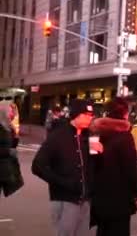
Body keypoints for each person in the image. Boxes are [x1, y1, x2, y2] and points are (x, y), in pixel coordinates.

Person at [32, 99, 102, 236]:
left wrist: (97, 153)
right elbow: (37, 166)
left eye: (91, 115)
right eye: (86, 115)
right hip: (64, 199)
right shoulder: (58, 136)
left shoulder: (88, 137)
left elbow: (92, 167)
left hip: (85, 199)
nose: (90, 118)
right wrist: (62, 182)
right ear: (75, 115)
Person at [90, 98, 137, 236]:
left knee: (103, 231)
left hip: (99, 196)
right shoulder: (124, 136)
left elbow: (92, 162)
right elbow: (131, 168)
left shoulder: (96, 133)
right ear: (125, 114)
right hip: (119, 199)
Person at [0, 109, 23, 198]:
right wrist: (9, 151)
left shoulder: (8, 128)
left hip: (5, 168)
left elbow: (12, 145)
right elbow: (8, 149)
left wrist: (15, 137)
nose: (12, 115)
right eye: (9, 114)